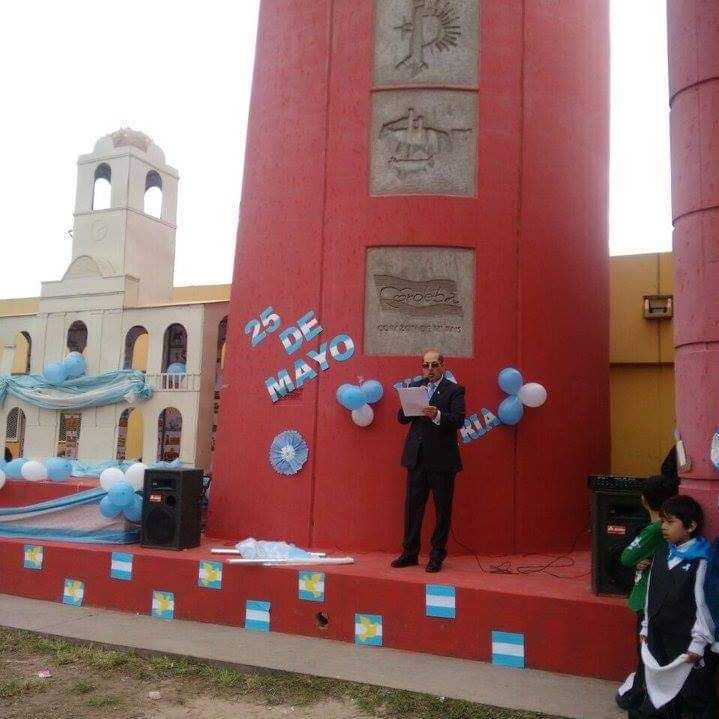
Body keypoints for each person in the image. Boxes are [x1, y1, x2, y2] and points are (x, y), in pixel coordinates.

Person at [630, 495, 717, 718]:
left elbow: (704, 605)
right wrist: (646, 628)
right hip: (658, 635)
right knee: (658, 696)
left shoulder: (702, 560)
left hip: (686, 640)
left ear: (690, 526)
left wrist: (698, 644)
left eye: (670, 522)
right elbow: (651, 595)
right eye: (663, 522)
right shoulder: (660, 553)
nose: (664, 527)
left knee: (692, 695)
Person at [391, 349, 466, 573]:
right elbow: (401, 418)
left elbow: (459, 420)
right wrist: (409, 406)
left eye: (434, 365)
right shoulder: (416, 387)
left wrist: (438, 415)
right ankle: (410, 553)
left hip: (442, 460)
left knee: (442, 509)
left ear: (443, 366)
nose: (430, 370)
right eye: (426, 365)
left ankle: (436, 555)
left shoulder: (454, 390)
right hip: (417, 457)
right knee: (413, 507)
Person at [616, 475, 680, 712]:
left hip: (647, 598)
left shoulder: (653, 530)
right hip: (663, 600)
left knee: (647, 651)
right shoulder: (675, 528)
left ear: (644, 500)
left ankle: (641, 698)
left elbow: (626, 557)